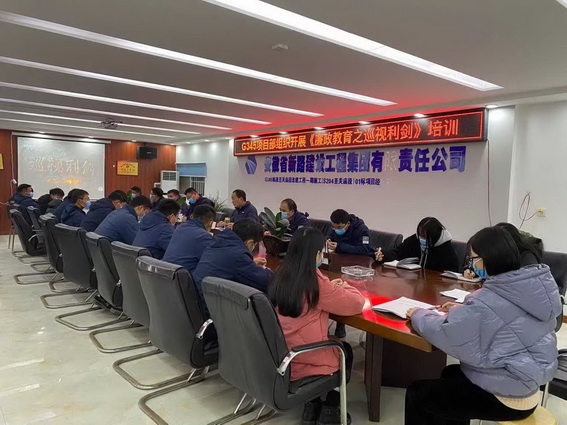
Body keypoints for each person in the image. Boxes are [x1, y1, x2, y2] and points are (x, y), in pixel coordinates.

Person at [404, 226, 562, 425]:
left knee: (418, 394)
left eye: (474, 258)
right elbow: (501, 318)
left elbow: (448, 332)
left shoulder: (489, 298)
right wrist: (464, 309)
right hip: (528, 386)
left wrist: (418, 314)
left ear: (490, 258)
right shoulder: (532, 286)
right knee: (450, 374)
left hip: (507, 397)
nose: (472, 264)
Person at [269, 227, 364, 425]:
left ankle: (311, 406)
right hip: (306, 357)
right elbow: (356, 303)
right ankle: (330, 410)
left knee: (335, 343)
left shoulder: (280, 274)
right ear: (316, 255)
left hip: (281, 351)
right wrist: (345, 285)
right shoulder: (316, 283)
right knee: (345, 350)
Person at [193, 219, 272, 313]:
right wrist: (266, 269)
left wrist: (251, 263)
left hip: (197, 303)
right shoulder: (238, 256)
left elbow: (229, 263)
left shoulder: (217, 243)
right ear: (250, 243)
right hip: (211, 310)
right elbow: (265, 282)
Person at [376, 217, 459, 272]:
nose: (421, 239)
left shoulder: (445, 248)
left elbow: (452, 271)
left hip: (435, 285)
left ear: (434, 236)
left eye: (425, 236)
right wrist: (383, 255)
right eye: (420, 235)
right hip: (414, 281)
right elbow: (397, 253)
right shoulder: (415, 240)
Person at [163, 205, 216, 272]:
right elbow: (210, 261)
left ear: (192, 216)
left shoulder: (179, 227)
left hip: (166, 270)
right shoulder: (204, 236)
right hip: (183, 274)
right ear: (210, 223)